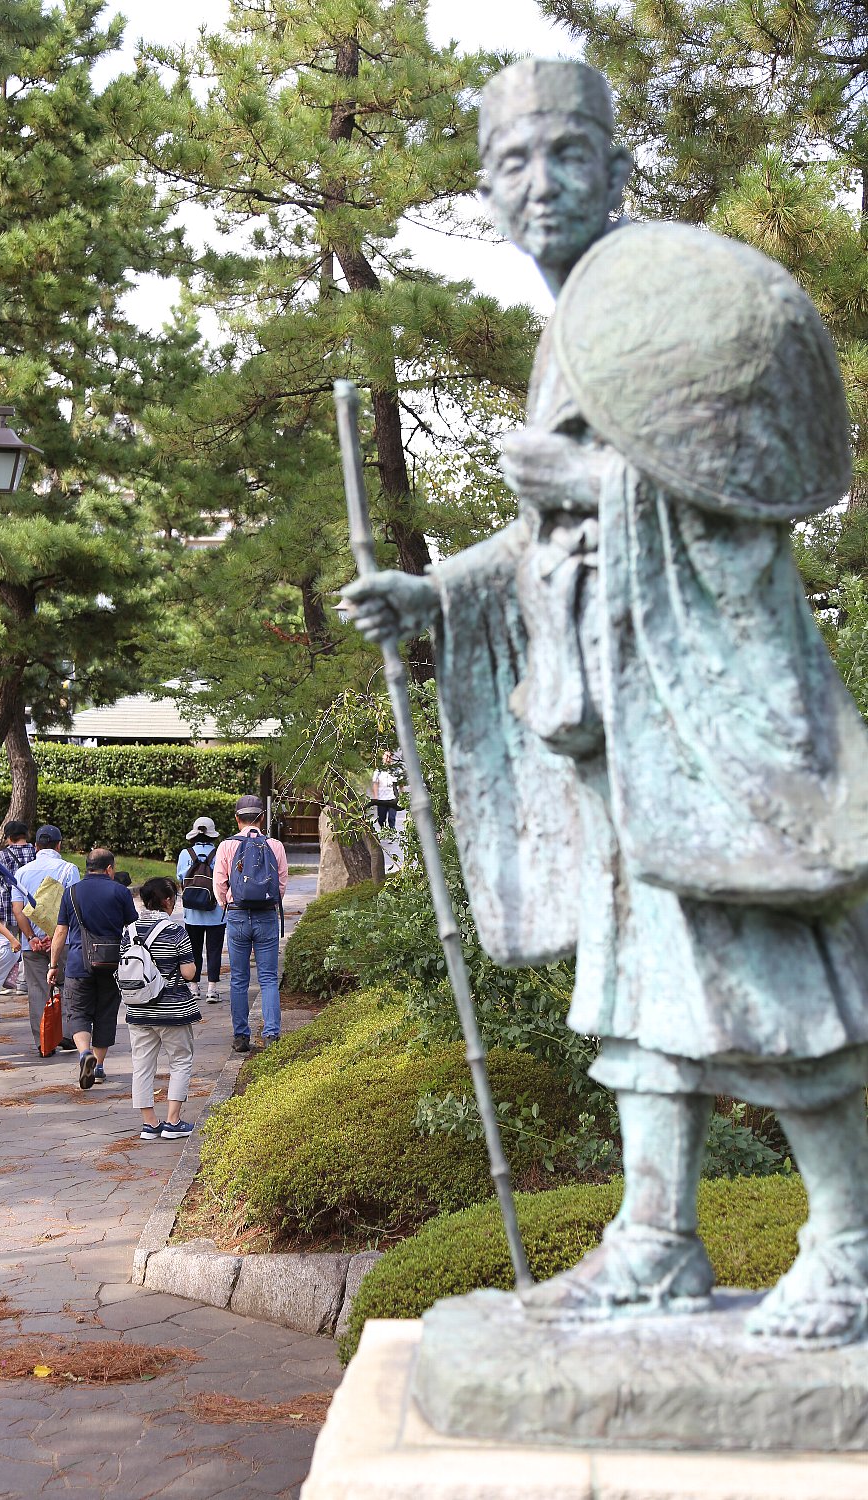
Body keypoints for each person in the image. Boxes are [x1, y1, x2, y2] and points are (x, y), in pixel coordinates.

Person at [344, 57, 868, 1345]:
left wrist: (594, 490)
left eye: (566, 156)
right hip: (616, 737)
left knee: (768, 992)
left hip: (702, 734)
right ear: (485, 189)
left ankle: (850, 1248)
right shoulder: (573, 329)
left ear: (615, 169)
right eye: (510, 165)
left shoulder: (665, 309)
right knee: (639, 1004)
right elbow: (543, 541)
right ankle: (654, 1241)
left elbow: (750, 509)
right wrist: (437, 595)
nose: (540, 186)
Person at [49, 847, 138, 1089]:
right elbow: (133, 928)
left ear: (86, 866)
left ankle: (83, 1054)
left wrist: (53, 964)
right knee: (105, 1013)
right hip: (111, 963)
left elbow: (60, 932)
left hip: (79, 964)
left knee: (77, 1012)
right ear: (109, 868)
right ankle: (98, 1067)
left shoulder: (71, 892)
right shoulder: (120, 891)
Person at [121, 876, 199, 1140]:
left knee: (142, 1065)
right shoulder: (175, 930)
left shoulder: (129, 930)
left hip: (138, 1009)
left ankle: (149, 1124)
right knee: (179, 1061)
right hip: (171, 1009)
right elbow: (189, 973)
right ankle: (172, 1121)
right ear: (167, 900)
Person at [213, 795, 288, 1054]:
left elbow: (219, 885)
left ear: (237, 818)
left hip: (237, 915)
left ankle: (241, 1036)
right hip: (267, 915)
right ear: (262, 818)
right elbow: (280, 884)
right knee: (268, 978)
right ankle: (271, 1034)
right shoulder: (275, 845)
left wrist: (228, 904)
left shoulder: (226, 846)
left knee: (239, 979)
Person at [12, 825, 80, 1051]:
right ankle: (70, 1036)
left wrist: (31, 937)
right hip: (63, 941)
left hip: (31, 944)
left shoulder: (21, 872)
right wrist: (54, 936)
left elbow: (17, 909)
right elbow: (72, 907)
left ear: (35, 847)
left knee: (38, 990)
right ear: (59, 845)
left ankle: (44, 1042)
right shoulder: (69, 869)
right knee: (69, 986)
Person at [177, 816, 227, 1004]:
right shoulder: (219, 852)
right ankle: (212, 989)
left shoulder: (185, 854)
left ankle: (194, 988)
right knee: (214, 950)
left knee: (193, 950)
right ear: (213, 835)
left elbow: (180, 877)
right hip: (216, 912)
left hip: (192, 912)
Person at [0, 821, 35, 995]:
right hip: (29, 906)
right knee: (28, 941)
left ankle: (6, 979)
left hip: (7, 905)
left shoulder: (3, 855)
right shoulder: (34, 852)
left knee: (6, 943)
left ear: (9, 837)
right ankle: (24, 982)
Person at [370, 752, 399, 830]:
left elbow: (400, 784)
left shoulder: (395, 770)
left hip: (392, 798)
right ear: (383, 757)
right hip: (382, 798)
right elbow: (375, 784)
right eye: (386, 756)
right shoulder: (378, 770)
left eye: (390, 757)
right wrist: (376, 797)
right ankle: (383, 830)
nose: (388, 759)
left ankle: (392, 833)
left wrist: (402, 796)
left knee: (391, 818)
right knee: (381, 819)